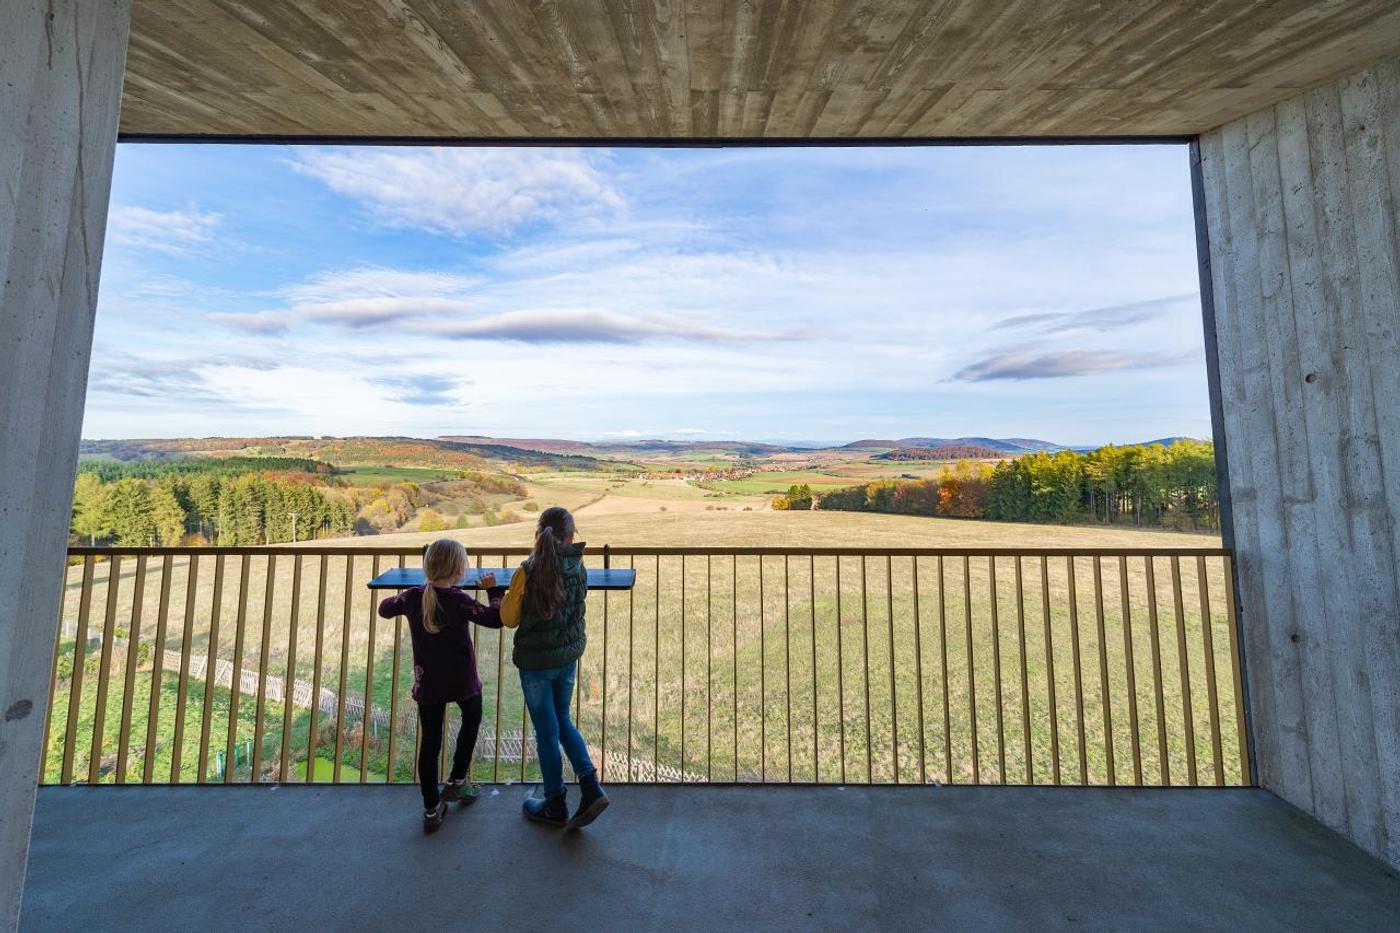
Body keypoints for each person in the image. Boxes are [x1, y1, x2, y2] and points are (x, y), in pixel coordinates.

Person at [378, 538, 504, 833]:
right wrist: (494, 591)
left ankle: (431, 809)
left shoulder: (413, 597)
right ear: (459, 569)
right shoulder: (459, 600)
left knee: (430, 744)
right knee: (472, 718)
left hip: (429, 683)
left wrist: (407, 594)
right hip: (462, 680)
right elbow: (496, 618)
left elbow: (385, 609)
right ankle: (458, 780)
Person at [501, 507, 608, 829]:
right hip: (567, 659)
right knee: (562, 720)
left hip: (536, 665)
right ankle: (590, 786)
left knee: (546, 733)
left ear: (538, 533)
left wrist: (500, 594)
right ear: (571, 536)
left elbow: (508, 618)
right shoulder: (577, 565)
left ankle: (555, 802)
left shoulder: (527, 571)